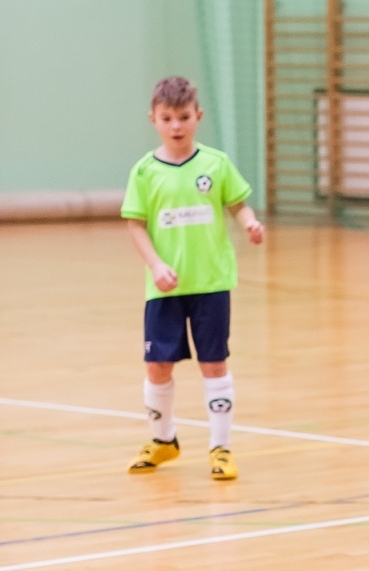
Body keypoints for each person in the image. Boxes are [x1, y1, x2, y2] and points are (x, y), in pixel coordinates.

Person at [121, 76, 263, 480]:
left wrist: (251, 223)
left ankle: (221, 449)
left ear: (198, 116)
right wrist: (156, 265)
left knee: (214, 364)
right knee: (158, 365)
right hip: (165, 287)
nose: (177, 126)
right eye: (167, 118)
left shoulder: (215, 164)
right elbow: (135, 225)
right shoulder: (145, 172)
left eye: (184, 117)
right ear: (154, 119)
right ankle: (164, 440)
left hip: (211, 283)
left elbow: (238, 206)